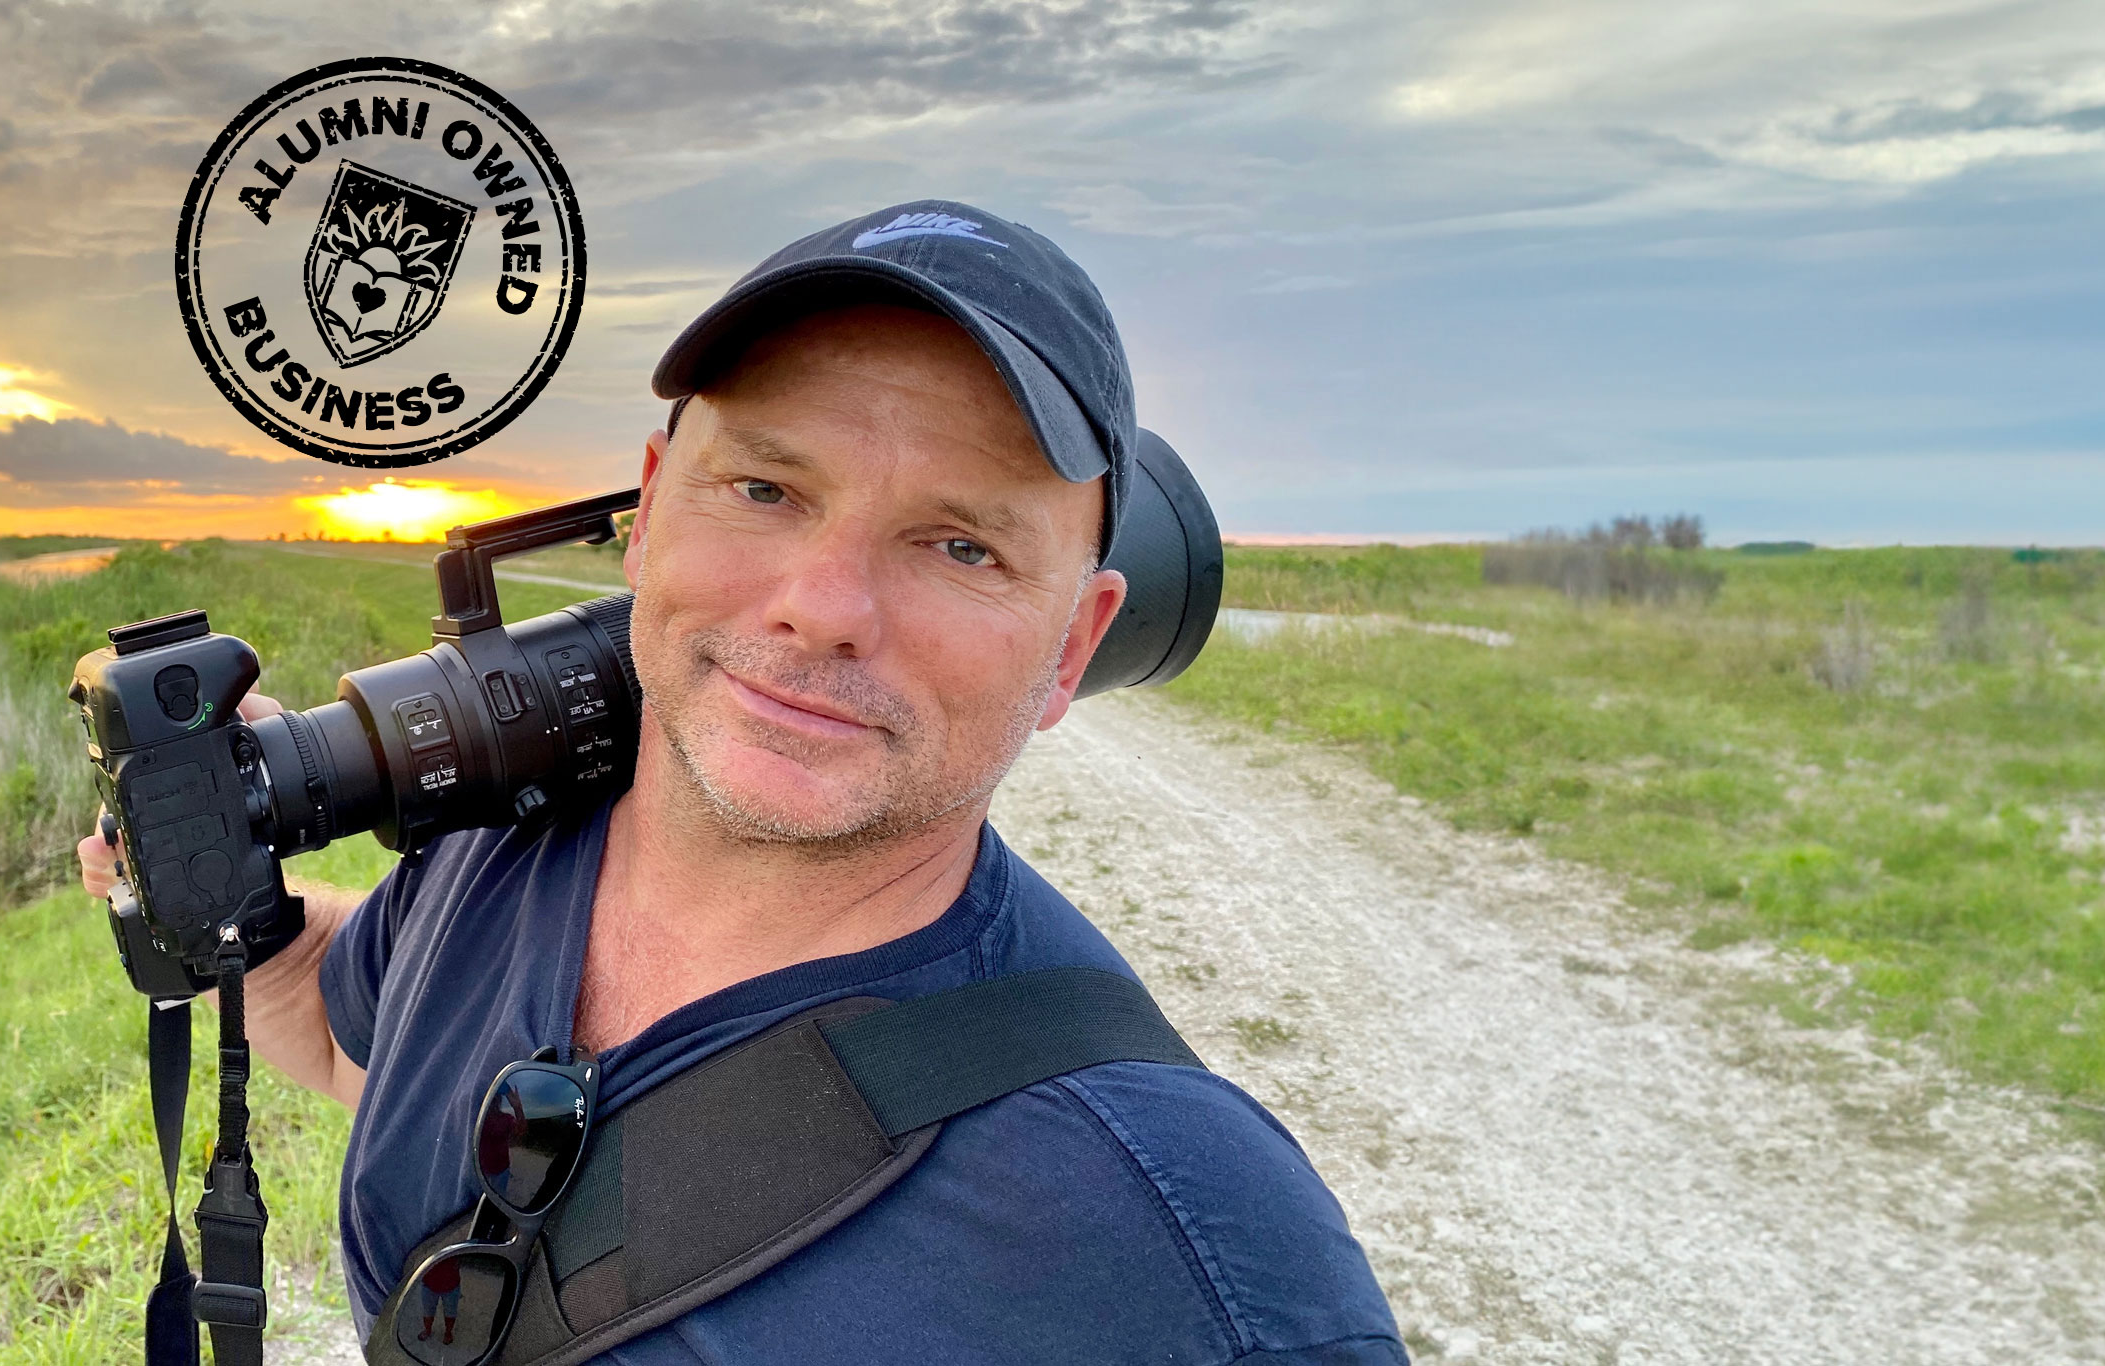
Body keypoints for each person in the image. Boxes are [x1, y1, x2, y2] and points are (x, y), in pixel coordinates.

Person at [81, 199, 1407, 1364]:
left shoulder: (1200, 1259)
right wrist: (233, 905)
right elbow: (357, 1038)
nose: (821, 607)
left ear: (1072, 645)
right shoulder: (503, 837)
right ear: (650, 511)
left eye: (961, 545)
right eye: (766, 488)